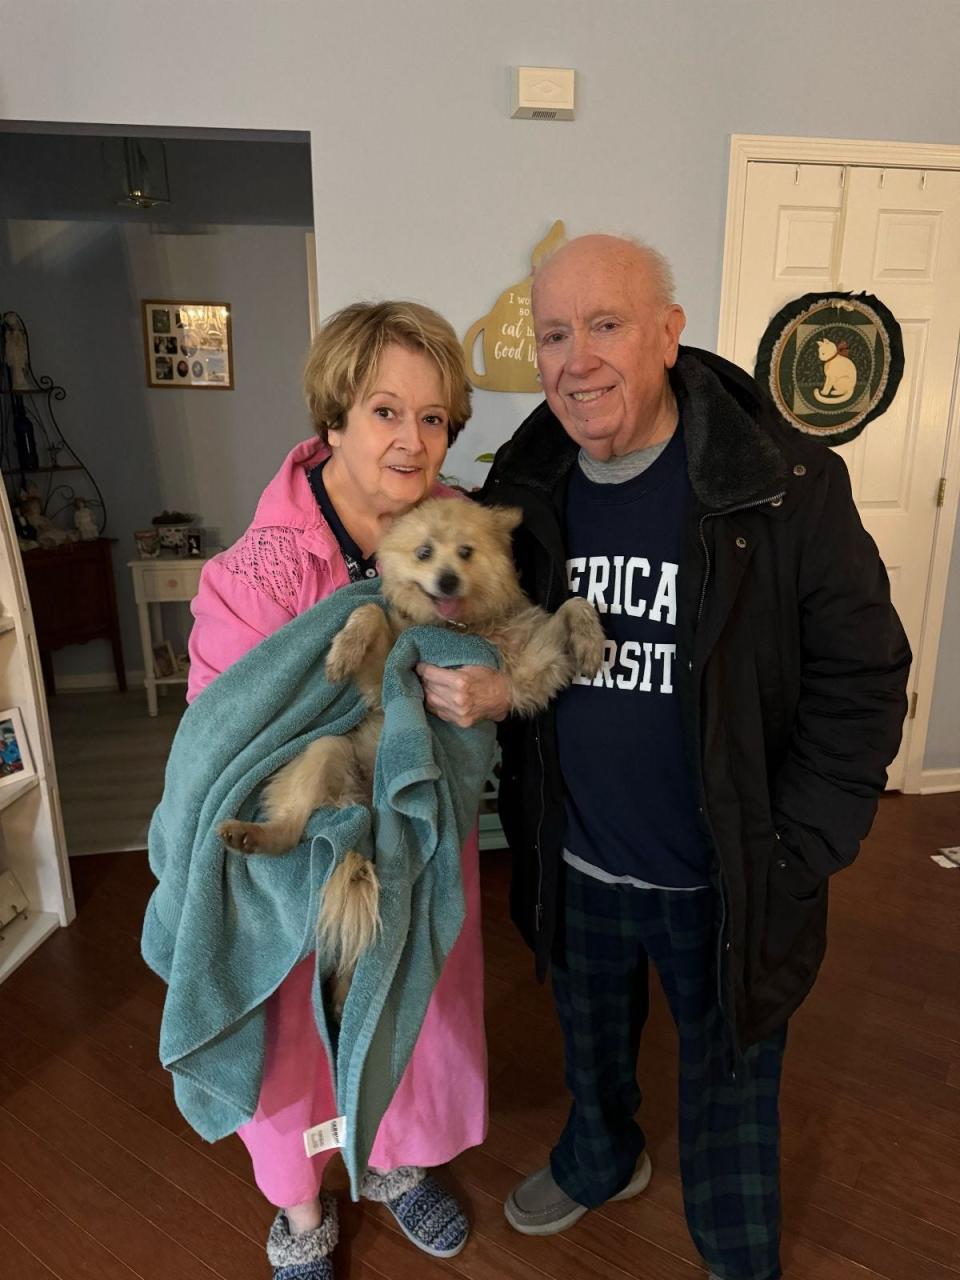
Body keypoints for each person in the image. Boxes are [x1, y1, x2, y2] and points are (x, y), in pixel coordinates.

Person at [418, 234, 910, 1280]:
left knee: (730, 1065)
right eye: (555, 333)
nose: (577, 358)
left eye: (606, 325)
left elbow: (863, 676)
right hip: (579, 854)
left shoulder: (784, 482)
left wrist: (800, 846)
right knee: (590, 1045)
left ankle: (735, 1241)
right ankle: (601, 1158)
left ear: (668, 334)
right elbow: (481, 616)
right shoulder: (529, 476)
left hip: (726, 867)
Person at [187, 301, 484, 1280]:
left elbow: (494, 656)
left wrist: (477, 685)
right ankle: (302, 1212)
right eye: (387, 410)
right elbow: (228, 727)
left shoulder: (459, 540)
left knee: (414, 998)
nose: (412, 439)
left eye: (434, 417)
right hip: (302, 853)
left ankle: (396, 1159)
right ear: (335, 420)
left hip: (417, 834)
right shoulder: (254, 570)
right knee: (294, 1038)